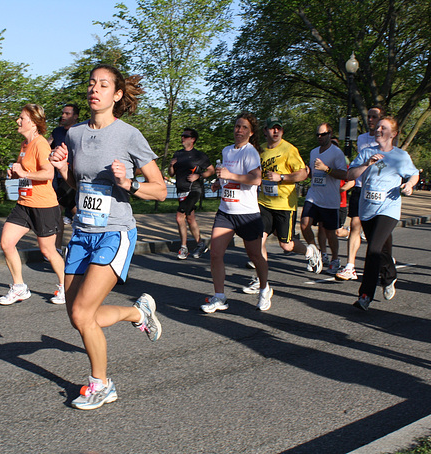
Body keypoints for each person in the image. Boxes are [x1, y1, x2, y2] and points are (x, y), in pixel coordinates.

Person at [50, 64, 167, 410]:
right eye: (91, 84)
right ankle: (136, 313)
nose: (94, 89)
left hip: (114, 233)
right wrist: (62, 171)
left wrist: (129, 184)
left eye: (103, 85)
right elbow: (79, 184)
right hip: (82, 232)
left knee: (85, 314)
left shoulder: (129, 135)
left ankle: (101, 385)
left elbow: (160, 190)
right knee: (77, 317)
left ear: (116, 95)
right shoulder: (74, 134)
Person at [201, 112, 273, 312]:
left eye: (244, 128)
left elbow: (256, 179)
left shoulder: (251, 153)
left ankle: (265, 289)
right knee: (215, 253)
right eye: (237, 126)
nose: (239, 131)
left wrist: (229, 174)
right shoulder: (227, 151)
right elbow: (229, 178)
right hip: (226, 212)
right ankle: (219, 297)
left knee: (256, 256)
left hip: (247, 215)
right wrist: (219, 182)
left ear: (251, 133)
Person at [347, 117, 419, 310]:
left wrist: (409, 185)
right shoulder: (366, 153)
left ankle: (365, 294)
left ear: (393, 134)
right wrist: (367, 164)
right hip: (368, 209)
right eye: (378, 126)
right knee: (381, 250)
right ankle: (390, 276)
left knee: (373, 250)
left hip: (389, 208)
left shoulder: (400, 156)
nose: (378, 129)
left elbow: (413, 173)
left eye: (383, 127)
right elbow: (350, 175)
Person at [0, 104, 66, 305]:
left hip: (43, 205)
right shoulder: (24, 145)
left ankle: (65, 287)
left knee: (48, 251)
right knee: (6, 242)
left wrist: (24, 173)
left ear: (34, 123)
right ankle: (19, 287)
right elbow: (25, 171)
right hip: (24, 204)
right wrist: (16, 174)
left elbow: (48, 173)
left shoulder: (40, 144)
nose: (18, 121)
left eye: (22, 118)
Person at [243, 117, 310, 294]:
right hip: (264, 203)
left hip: (284, 204)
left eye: (278, 129)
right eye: (272, 128)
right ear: (265, 131)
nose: (275, 131)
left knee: (286, 245)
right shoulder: (261, 150)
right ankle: (259, 280)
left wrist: (281, 177)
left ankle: (310, 252)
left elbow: (303, 174)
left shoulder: (289, 149)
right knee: (259, 241)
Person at [337, 107, 383, 281]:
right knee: (355, 224)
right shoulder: (362, 138)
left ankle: (384, 261)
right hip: (361, 187)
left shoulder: (386, 139)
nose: (370, 119)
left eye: (374, 117)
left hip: (378, 190)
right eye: (369, 117)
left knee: (377, 231)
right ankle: (350, 266)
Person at [300, 123, 347, 274]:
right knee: (304, 225)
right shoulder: (314, 152)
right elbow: (312, 172)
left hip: (330, 199)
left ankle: (335, 259)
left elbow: (344, 175)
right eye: (318, 135)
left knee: (330, 232)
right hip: (314, 195)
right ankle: (316, 253)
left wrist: (327, 169)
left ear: (330, 134)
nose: (320, 137)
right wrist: (306, 171)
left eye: (323, 134)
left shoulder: (336, 153)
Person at [168, 128, 215, 259]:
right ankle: (200, 244)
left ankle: (183, 248)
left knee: (179, 217)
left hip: (194, 190)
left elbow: (211, 170)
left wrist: (198, 176)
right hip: (181, 191)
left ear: (193, 139)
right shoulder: (177, 154)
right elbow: (171, 173)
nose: (182, 138)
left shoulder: (199, 155)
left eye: (186, 136)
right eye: (182, 135)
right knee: (190, 218)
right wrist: (171, 166)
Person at [49, 104, 80, 249]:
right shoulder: (56, 131)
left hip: (72, 175)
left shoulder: (80, 131)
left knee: (57, 209)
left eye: (67, 114)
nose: (63, 116)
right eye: (63, 113)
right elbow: (45, 147)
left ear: (75, 116)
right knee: (77, 211)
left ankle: (56, 248)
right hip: (57, 177)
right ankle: (64, 246)